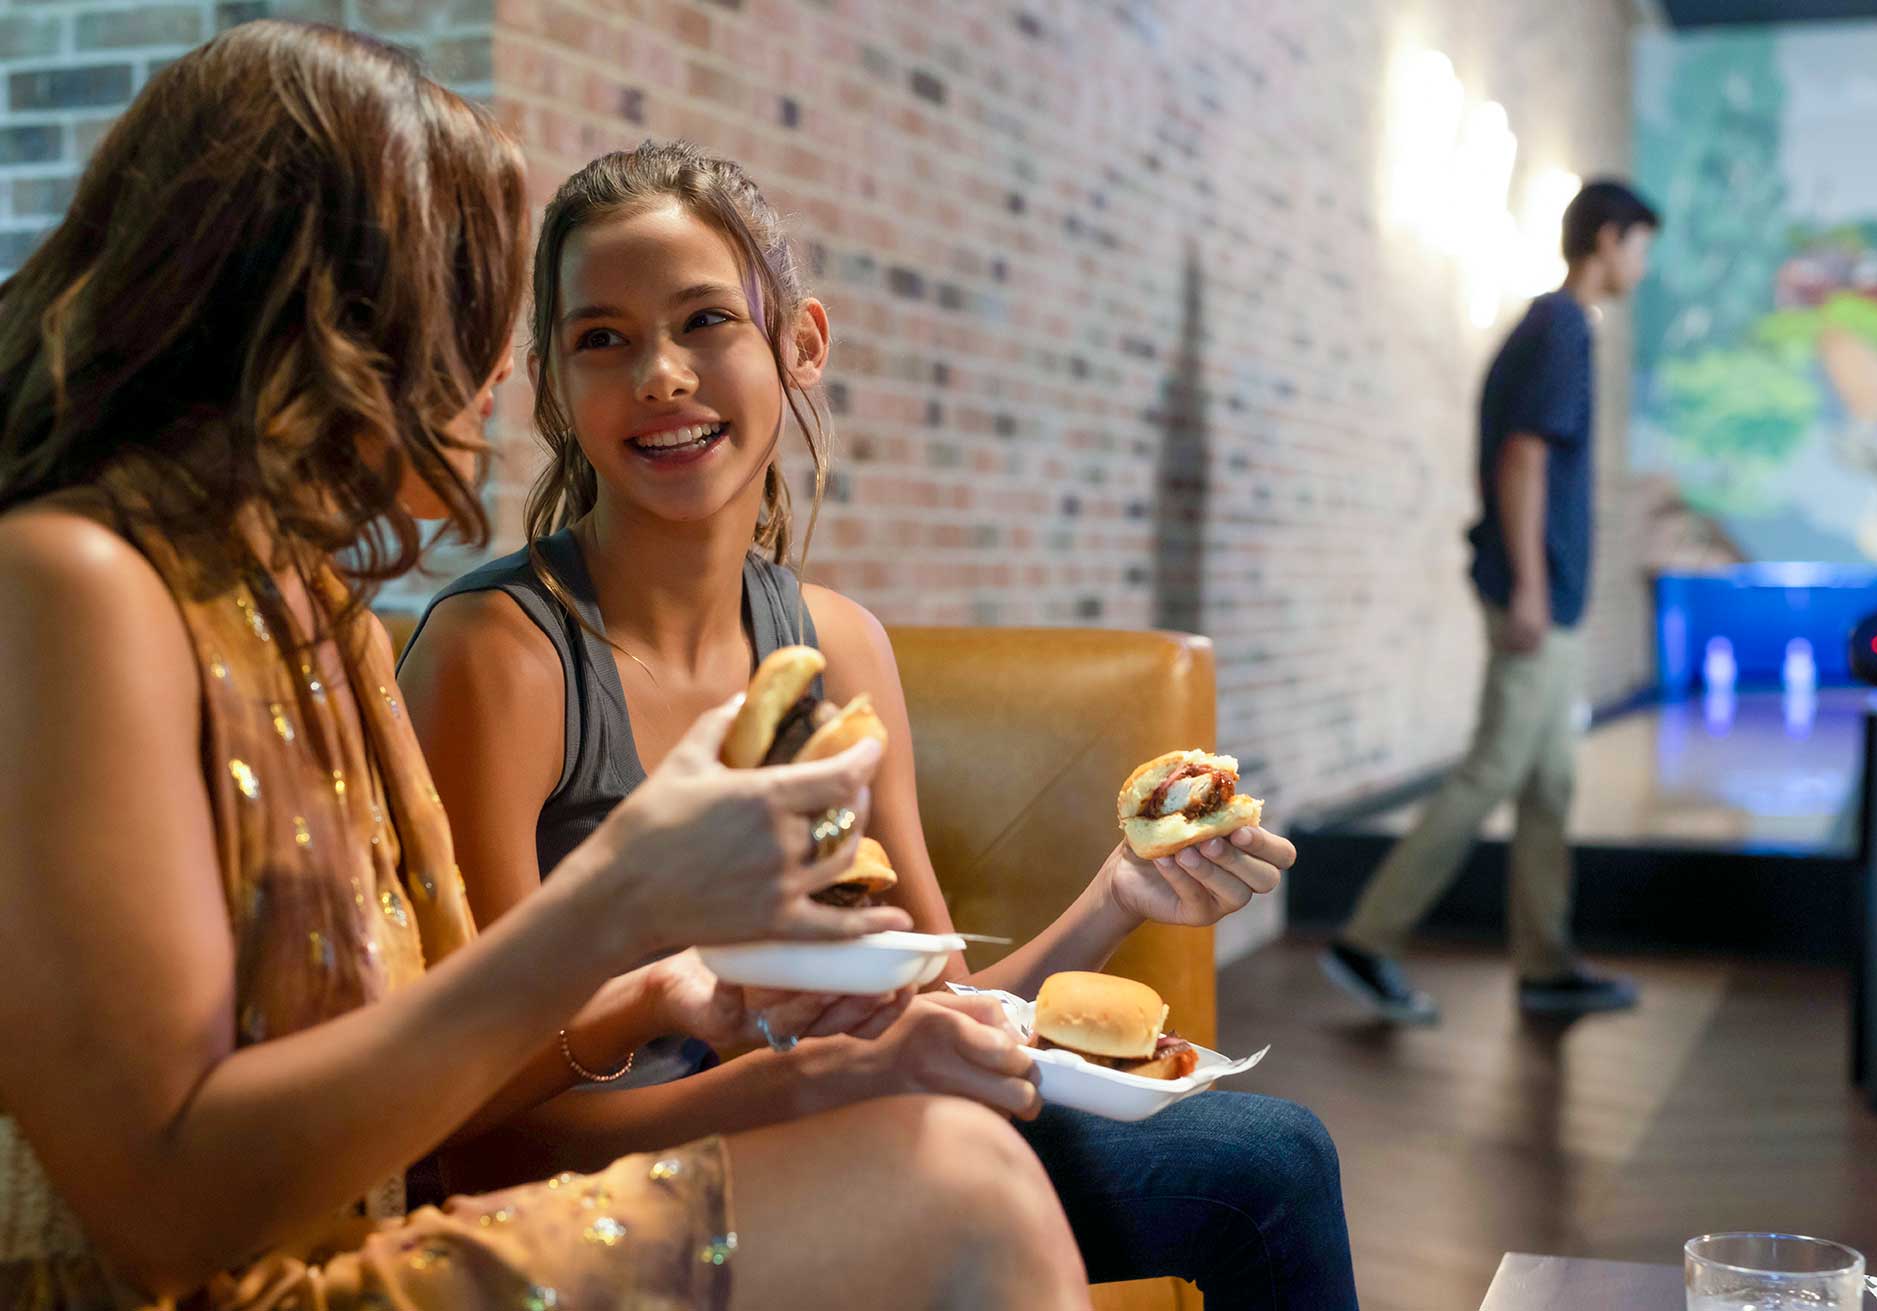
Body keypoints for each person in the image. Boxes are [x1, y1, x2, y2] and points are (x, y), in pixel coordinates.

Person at [0, 25, 1092, 1309]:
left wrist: (678, 997)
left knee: (996, 1163)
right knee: (965, 1188)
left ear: (801, 343)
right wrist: (624, 904)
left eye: (701, 322)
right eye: (468, 299)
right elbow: (164, 1212)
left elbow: (434, 1059)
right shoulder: (72, 583)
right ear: (331, 314)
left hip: (376, 1227)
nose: (500, 372)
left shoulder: (318, 619)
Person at [398, 139, 1360, 1311]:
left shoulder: (837, 646)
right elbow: (476, 1140)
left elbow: (939, 1011)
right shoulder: (499, 659)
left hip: (849, 1129)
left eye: (705, 321)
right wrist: (825, 1087)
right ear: (550, 382)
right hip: (610, 1203)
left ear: (800, 341)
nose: (659, 374)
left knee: (1273, 1159)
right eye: (603, 338)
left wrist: (1119, 897)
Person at [1320, 179, 1660, 1026]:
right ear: (1609, 239)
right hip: (1536, 599)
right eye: (1641, 246)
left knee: (1550, 781)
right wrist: (1534, 588)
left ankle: (1545, 963)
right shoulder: (1561, 328)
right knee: (1494, 770)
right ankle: (1367, 939)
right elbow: (1521, 459)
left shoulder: (1553, 327)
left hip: (1553, 600)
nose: (1644, 266)